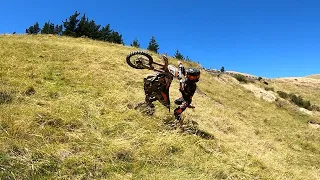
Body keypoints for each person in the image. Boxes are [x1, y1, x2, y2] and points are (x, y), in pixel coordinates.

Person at [174, 62, 200, 126]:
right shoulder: (187, 78)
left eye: (196, 76)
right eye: (194, 76)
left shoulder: (193, 86)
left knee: (176, 112)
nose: (196, 78)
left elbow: (187, 97)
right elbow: (183, 70)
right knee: (176, 102)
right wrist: (180, 64)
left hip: (187, 100)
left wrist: (182, 90)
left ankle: (179, 125)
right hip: (183, 97)